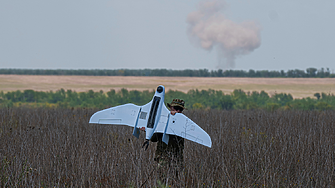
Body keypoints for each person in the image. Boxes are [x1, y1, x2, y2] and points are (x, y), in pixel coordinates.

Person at [150, 99, 186, 179]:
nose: (177, 111)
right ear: (170, 108)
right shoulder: (163, 120)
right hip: (163, 158)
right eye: (175, 108)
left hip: (177, 159)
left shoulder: (183, 123)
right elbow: (153, 138)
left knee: (176, 181)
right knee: (162, 181)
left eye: (180, 109)